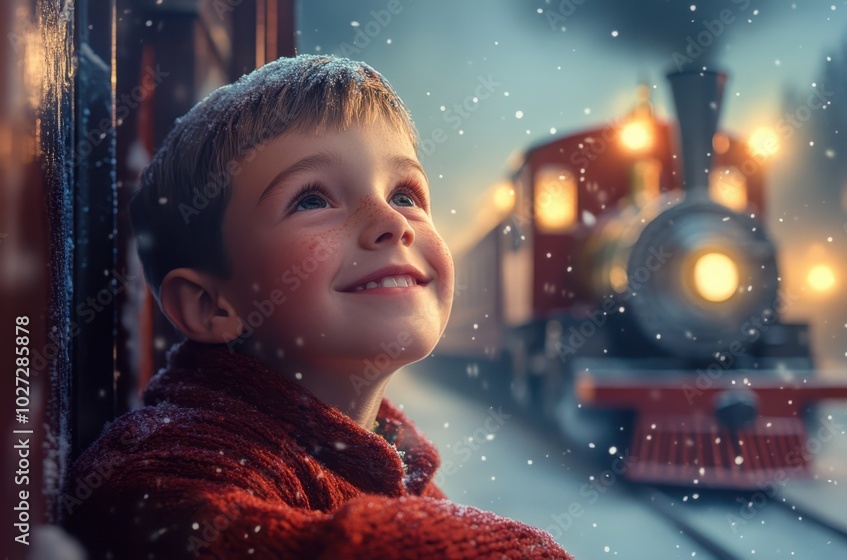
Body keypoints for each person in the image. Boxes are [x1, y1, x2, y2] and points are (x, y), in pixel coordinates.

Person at [63, 54, 572, 559]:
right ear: (209, 305)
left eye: (404, 194)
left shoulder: (388, 463)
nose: (393, 222)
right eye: (312, 200)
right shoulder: (163, 460)